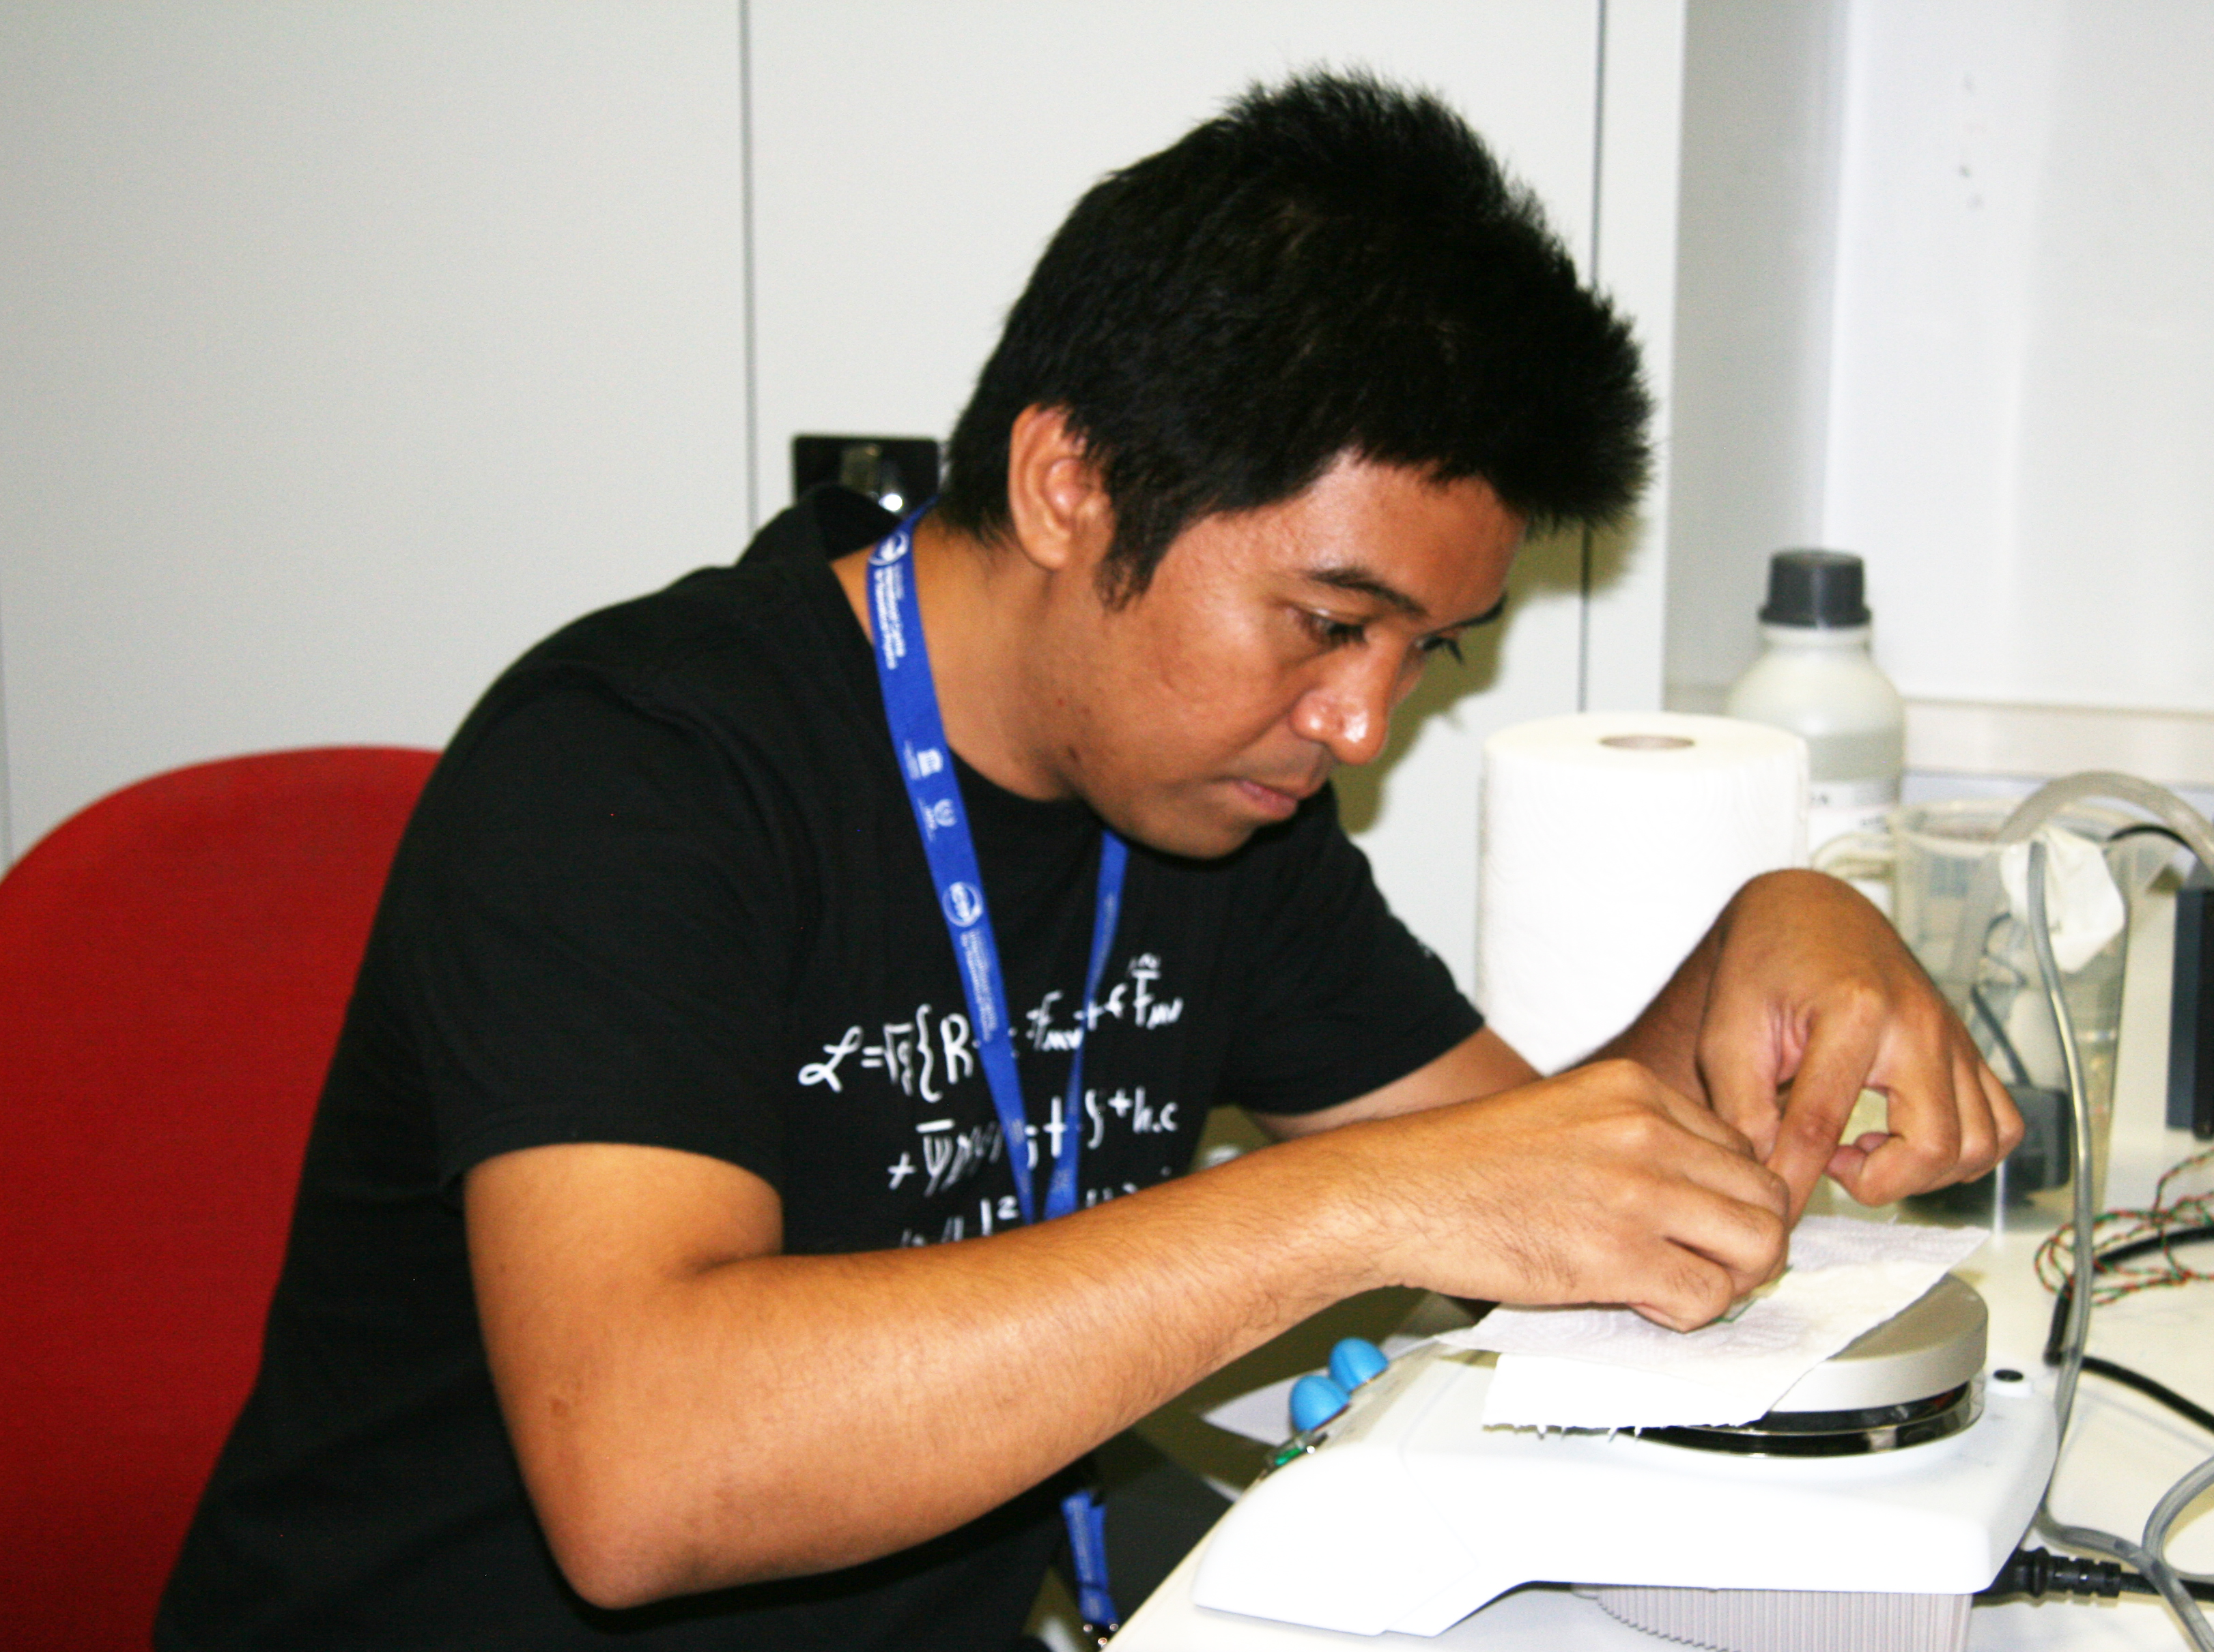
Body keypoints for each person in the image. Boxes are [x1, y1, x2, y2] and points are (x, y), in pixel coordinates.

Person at [158, 72, 2017, 1651]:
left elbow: (1524, 1197)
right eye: (1328, 621)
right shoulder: (636, 765)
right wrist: (1349, 1209)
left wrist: (1776, 932)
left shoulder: (1208, 800)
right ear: (1072, 482)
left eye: (1421, 653)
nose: (1359, 722)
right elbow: (644, 1472)